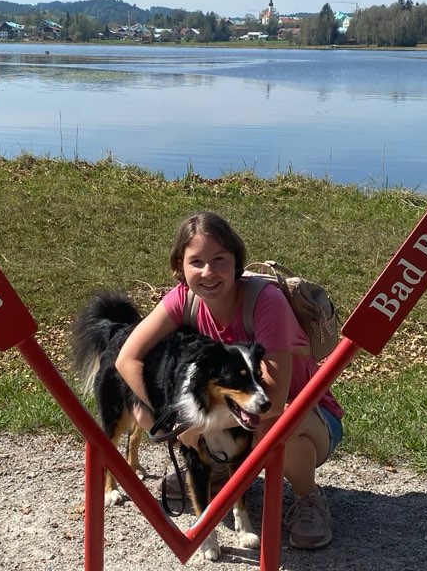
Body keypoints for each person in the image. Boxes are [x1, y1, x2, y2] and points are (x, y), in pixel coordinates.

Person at [115, 211, 344, 549]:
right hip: (233, 416)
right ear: (181, 267)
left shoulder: (266, 301)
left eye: (219, 260)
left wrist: (195, 422)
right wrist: (178, 419)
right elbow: (127, 359)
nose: (208, 272)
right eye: (197, 262)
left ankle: (307, 496)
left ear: (237, 260)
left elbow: (274, 401)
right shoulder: (183, 298)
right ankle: (221, 468)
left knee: (276, 425)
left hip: (306, 419)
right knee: (142, 407)